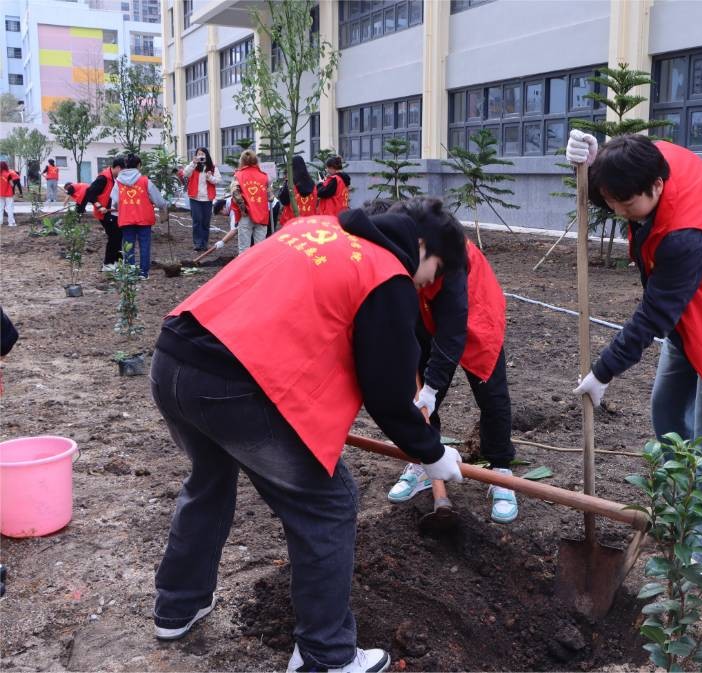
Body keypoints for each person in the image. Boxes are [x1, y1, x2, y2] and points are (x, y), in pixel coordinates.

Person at [150, 197, 467, 673]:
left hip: (174, 360)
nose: (429, 284)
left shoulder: (315, 228)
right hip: (234, 386)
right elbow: (386, 392)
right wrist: (431, 452)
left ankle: (178, 605)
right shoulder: (386, 273)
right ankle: (325, 655)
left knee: (210, 478)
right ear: (422, 246)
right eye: (436, 270)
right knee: (329, 503)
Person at [565, 131, 702, 572]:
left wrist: (603, 372)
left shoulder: (686, 236)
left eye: (625, 204)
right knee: (666, 413)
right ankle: (684, 512)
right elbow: (620, 185)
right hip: (692, 310)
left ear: (657, 186)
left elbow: (653, 316)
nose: (618, 212)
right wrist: (592, 163)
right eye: (611, 201)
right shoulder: (654, 158)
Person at [380, 201, 519, 524]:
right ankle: (424, 460)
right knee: (420, 388)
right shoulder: (402, 248)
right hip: (423, 306)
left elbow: (453, 332)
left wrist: (431, 387)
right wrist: (424, 388)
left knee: (491, 394)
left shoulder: (453, 261)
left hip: (475, 311)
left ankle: (501, 470)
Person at [110, 153, 169, 279]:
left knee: (128, 247)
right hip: (144, 218)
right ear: (138, 165)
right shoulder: (145, 181)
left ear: (125, 166)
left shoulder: (118, 182)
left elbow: (114, 201)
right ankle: (143, 273)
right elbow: (159, 201)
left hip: (126, 219)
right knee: (144, 246)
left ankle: (130, 273)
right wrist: (162, 205)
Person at [80, 157, 124, 270]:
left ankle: (118, 262)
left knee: (118, 236)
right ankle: (108, 264)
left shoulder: (115, 178)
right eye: (123, 170)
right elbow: (90, 193)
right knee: (114, 236)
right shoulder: (103, 178)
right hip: (104, 213)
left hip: (113, 212)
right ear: (118, 168)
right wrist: (99, 206)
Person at [232, 149, 271, 253]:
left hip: (246, 215)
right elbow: (271, 197)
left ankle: (245, 264)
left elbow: (235, 193)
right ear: (256, 160)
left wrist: (243, 208)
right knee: (260, 249)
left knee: (244, 249)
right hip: (262, 215)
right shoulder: (264, 176)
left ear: (242, 161)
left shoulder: (238, 175)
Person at [183, 147, 221, 251]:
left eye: (202, 154)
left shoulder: (212, 167)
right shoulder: (193, 166)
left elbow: (218, 180)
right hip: (195, 198)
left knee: (205, 222)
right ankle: (198, 243)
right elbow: (185, 174)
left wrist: (210, 177)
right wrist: (193, 163)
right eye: (199, 154)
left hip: (207, 198)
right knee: (197, 220)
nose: (201, 156)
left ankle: (204, 243)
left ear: (206, 155)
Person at [277, 155, 318, 226]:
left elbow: (284, 201)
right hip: (310, 221)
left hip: (292, 221)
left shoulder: (290, 183)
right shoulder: (312, 183)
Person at [0, 161, 16, 226]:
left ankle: (0, 222)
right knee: (9, 208)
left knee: (0, 208)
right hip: (8, 194)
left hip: (0, 193)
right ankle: (11, 223)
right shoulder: (8, 174)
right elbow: (12, 184)